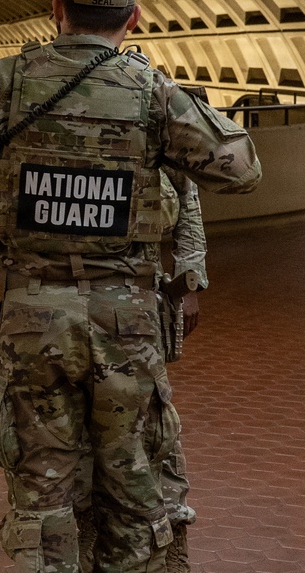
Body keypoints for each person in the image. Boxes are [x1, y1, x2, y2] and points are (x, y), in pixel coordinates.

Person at [0, 0, 261, 572]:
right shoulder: (150, 91)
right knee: (134, 488)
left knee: (43, 491)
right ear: (133, 17)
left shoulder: (2, 83)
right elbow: (241, 170)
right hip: (125, 318)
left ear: (56, 9)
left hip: (31, 315)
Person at [77, 166, 208, 572]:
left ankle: (173, 549)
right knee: (78, 435)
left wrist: (188, 282)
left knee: (155, 433)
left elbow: (188, 197)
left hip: (138, 303)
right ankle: (88, 537)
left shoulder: (160, 104)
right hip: (72, 300)